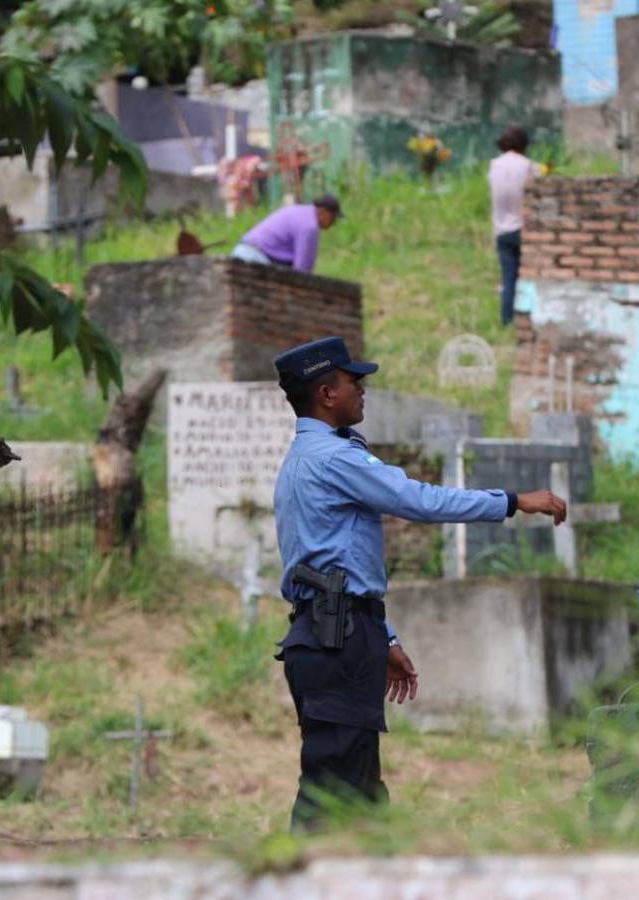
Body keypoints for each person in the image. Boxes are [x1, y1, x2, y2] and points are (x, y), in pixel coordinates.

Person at [272, 336, 568, 830]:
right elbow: (421, 502)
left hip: (337, 631)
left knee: (358, 788)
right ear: (326, 393)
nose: (363, 390)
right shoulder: (334, 459)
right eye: (354, 381)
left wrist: (382, 636)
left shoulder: (310, 456)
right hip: (336, 640)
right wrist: (513, 501)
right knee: (335, 790)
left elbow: (339, 564)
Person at [488, 126, 544, 327]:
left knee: (508, 278)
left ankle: (507, 320)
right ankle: (529, 318)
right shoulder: (528, 166)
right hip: (523, 229)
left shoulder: (494, 165)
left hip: (501, 231)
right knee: (529, 277)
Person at [231, 194, 342, 273]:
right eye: (333, 218)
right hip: (258, 259)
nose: (334, 223)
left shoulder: (296, 210)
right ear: (323, 212)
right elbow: (302, 270)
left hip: (241, 250)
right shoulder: (310, 226)